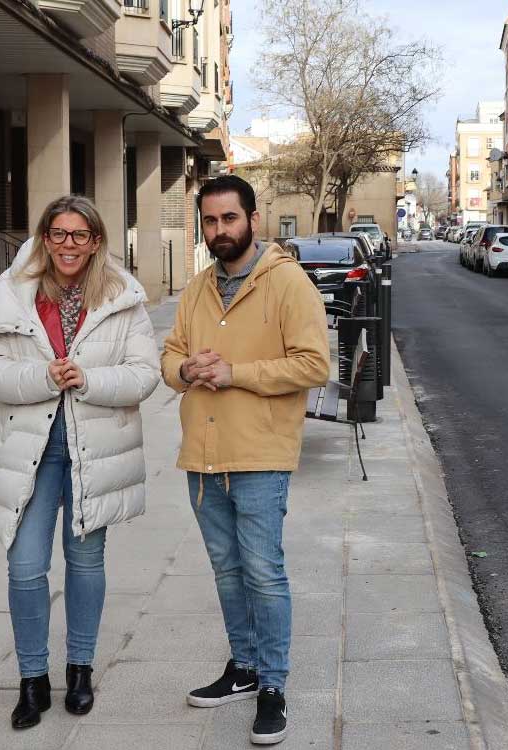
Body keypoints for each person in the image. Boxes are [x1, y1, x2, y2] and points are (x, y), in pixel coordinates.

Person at [0, 195, 161, 730]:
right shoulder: (12, 294)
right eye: (58, 234)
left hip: (93, 451)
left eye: (80, 235)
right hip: (29, 453)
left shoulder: (123, 298)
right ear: (44, 237)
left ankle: (79, 670)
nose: (68, 245)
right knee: (25, 567)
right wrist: (42, 378)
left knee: (85, 564)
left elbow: (144, 374)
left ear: (96, 241)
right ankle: (32, 679)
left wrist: (89, 379)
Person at [161, 175, 330, 745]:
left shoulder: (288, 284)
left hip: (260, 453)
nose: (218, 231)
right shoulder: (197, 288)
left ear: (253, 219)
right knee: (227, 571)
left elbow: (313, 365)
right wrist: (186, 370)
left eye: (228, 219)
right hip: (203, 456)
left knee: (263, 571)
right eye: (209, 221)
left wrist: (237, 374)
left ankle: (273, 686)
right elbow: (170, 357)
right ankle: (243, 667)